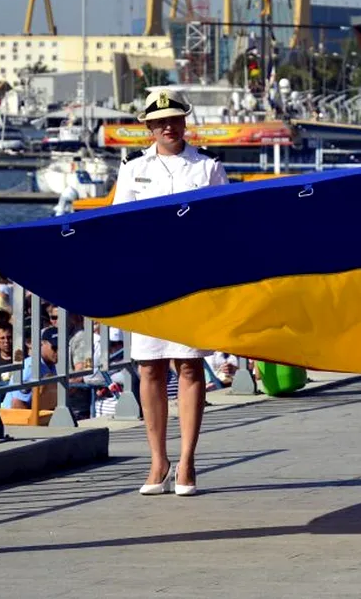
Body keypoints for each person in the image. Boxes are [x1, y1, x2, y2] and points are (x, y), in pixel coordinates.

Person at [111, 88, 227, 497]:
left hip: (191, 275)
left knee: (190, 365)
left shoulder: (208, 166)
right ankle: (158, 460)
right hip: (149, 276)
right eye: (160, 122)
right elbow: (120, 222)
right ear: (149, 127)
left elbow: (223, 222)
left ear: (185, 121)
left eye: (175, 119)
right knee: (150, 367)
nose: (168, 127)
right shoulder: (133, 168)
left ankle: (188, 461)